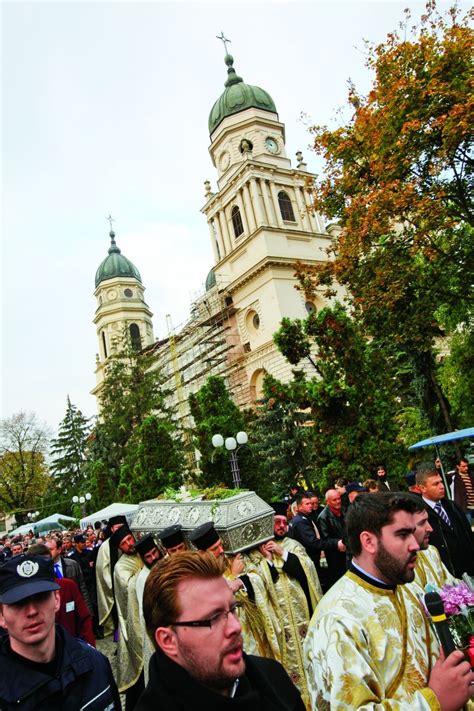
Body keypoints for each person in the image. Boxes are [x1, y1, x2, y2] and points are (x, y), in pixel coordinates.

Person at [304, 492, 474, 710]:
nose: (414, 545)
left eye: (413, 533)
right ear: (369, 541)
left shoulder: (407, 591)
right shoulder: (337, 619)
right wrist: (432, 702)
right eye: (403, 534)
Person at [136, 550, 305, 710]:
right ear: (168, 640)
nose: (236, 627)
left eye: (232, 609)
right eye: (213, 618)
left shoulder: (274, 679)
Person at [0, 554, 120, 710]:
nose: (32, 611)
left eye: (40, 597)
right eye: (18, 603)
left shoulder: (95, 662)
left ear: (57, 600)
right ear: (1, 615)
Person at [247, 504, 322, 706]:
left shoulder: (293, 545)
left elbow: (307, 570)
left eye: (283, 522)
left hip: (301, 616)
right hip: (279, 620)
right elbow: (258, 583)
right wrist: (268, 561)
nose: (281, 526)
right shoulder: (256, 552)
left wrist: (283, 553)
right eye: (276, 522)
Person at [28, 542, 95, 647]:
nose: (44, 568)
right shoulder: (26, 596)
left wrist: (90, 649)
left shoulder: (67, 586)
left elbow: (84, 620)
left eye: (46, 563)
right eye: (39, 565)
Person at [416, 461, 474, 578]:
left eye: (441, 482)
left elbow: (468, 536)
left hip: (469, 573)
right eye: (435, 484)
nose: (442, 486)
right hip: (445, 578)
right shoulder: (419, 515)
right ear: (422, 488)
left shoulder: (453, 506)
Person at [110, 524, 144, 710]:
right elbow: (130, 587)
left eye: (130, 538)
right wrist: (146, 571)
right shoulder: (120, 567)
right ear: (120, 548)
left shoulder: (143, 550)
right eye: (124, 543)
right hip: (134, 623)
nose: (130, 544)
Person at [134, 535, 162, 685]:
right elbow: (145, 615)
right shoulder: (143, 579)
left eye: (154, 552)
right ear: (142, 559)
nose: (153, 558)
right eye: (148, 556)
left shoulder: (164, 564)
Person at [289, 492, 329, 592]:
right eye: (307, 504)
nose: (310, 506)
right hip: (309, 558)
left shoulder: (306, 518)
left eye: (310, 503)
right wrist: (334, 544)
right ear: (299, 507)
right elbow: (313, 542)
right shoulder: (300, 521)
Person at [45, 535, 92, 612]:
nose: (47, 553)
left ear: (59, 549)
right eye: (45, 550)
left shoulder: (72, 565)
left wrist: (88, 611)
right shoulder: (44, 571)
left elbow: (82, 588)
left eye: (50, 549)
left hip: (76, 608)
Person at [315, 489, 346, 589]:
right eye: (334, 500)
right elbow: (325, 540)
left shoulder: (344, 509)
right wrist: (338, 543)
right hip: (336, 557)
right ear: (328, 502)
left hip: (349, 552)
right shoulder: (323, 517)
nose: (338, 501)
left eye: (339, 498)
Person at [450, 457, 474, 522]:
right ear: (458, 466)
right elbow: (442, 477)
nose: (466, 468)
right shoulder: (453, 476)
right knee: (467, 527)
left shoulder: (471, 475)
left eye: (467, 466)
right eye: (463, 466)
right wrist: (438, 467)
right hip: (464, 508)